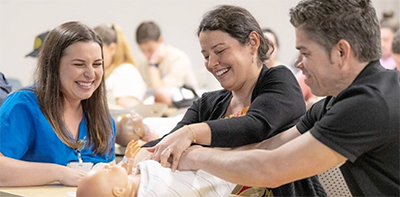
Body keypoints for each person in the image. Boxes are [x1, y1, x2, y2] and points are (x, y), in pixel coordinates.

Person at [176, 0, 400, 196]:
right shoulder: (332, 104)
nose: (298, 63)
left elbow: (271, 170)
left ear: (341, 52)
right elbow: (268, 148)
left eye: (306, 53)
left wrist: (196, 154)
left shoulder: (369, 103)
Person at [141, 5, 325, 197]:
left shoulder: (279, 82)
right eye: (206, 56)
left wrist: (192, 133)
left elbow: (255, 125)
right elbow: (169, 141)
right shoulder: (206, 104)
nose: (211, 63)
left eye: (219, 51)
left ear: (253, 43)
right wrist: (139, 156)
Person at [0, 21, 116, 187]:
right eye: (79, 64)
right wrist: (58, 173)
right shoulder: (23, 106)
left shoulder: (102, 119)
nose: (91, 74)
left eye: (97, 64)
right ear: (53, 66)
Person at [76, 140, 235, 197]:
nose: (111, 165)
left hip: (180, 163)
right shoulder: (149, 191)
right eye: (107, 170)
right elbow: (175, 187)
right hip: (190, 176)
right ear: (118, 191)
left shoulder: (126, 184)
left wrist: (129, 159)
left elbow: (126, 170)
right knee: (217, 172)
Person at [135, 21, 198, 106]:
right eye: (143, 51)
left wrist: (153, 65)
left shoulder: (178, 58)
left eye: (150, 50)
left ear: (161, 41)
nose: (147, 56)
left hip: (183, 108)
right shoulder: (141, 60)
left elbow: (161, 94)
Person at [94, 23, 147, 109]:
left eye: (97, 51)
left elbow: (129, 112)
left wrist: (93, 106)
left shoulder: (126, 72)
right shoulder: (105, 73)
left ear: (112, 49)